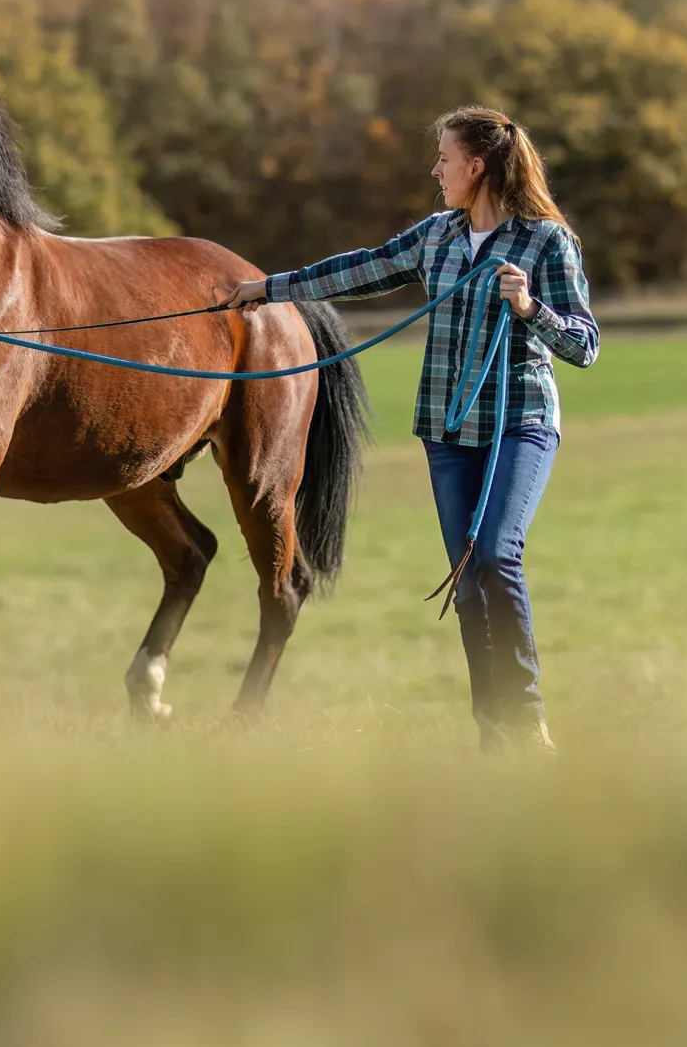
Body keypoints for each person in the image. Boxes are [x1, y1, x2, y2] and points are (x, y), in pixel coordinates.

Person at [226, 106, 598, 751]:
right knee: (467, 581)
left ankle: (527, 716)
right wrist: (271, 289)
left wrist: (529, 307)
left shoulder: (545, 242)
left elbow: (584, 345)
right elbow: (360, 269)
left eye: (444, 159)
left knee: (495, 557)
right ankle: (493, 735)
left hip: (519, 423)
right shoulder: (437, 237)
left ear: (475, 167)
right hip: (447, 431)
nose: (436, 170)